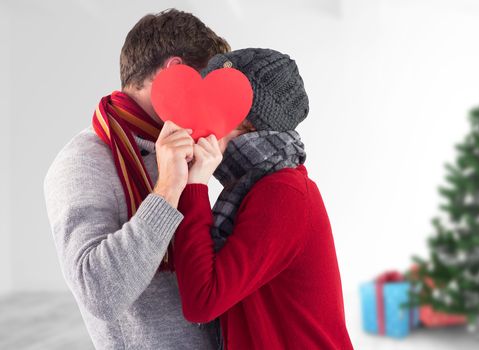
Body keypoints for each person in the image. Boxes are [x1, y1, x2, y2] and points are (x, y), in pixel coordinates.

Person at [44, 9, 230, 349]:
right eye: (206, 86)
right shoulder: (80, 162)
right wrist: (168, 188)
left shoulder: (188, 146)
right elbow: (100, 294)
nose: (208, 104)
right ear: (177, 73)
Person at [172, 48, 354, 349]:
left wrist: (195, 185)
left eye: (215, 105)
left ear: (252, 123)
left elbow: (202, 302)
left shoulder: (283, 193)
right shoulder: (255, 187)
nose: (198, 119)